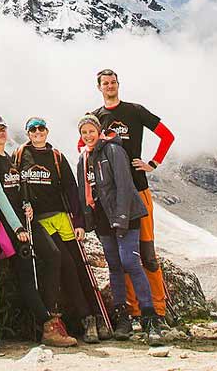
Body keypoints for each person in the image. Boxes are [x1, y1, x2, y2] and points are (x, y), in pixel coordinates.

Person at [0, 116, 77, 347]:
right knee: (26, 273)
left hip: (26, 220)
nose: (1, 133)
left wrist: (27, 205)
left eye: (3, 129)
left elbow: (19, 188)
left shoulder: (10, 157)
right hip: (11, 225)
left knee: (53, 255)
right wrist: (17, 227)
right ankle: (47, 325)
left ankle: (50, 311)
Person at [89, 69, 174, 324]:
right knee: (123, 254)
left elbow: (167, 135)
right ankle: (135, 311)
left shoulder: (135, 111)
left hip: (138, 188)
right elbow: (85, 148)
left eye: (113, 82)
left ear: (118, 85)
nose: (110, 86)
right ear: (99, 87)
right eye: (105, 83)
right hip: (112, 197)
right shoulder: (95, 117)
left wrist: (153, 163)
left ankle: (159, 310)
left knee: (146, 251)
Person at [16, 116, 110, 342]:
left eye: (41, 129)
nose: (37, 133)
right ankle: (87, 319)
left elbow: (70, 188)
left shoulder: (56, 156)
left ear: (47, 131)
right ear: (28, 133)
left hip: (61, 218)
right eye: (33, 129)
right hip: (40, 222)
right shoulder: (20, 155)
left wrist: (78, 222)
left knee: (80, 266)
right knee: (67, 265)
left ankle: (98, 318)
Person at [76, 114, 163, 345]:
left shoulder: (114, 151)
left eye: (91, 131)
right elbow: (82, 192)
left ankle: (150, 317)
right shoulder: (83, 159)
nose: (88, 136)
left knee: (131, 262)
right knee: (114, 266)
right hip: (104, 219)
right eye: (84, 133)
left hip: (126, 215)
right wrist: (86, 221)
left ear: (99, 131)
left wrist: (122, 217)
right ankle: (122, 317)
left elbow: (124, 184)